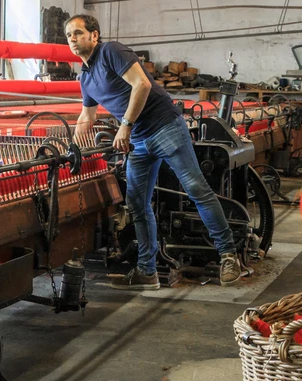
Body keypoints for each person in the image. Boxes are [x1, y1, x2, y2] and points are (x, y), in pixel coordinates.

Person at [65, 14, 242, 289]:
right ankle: (147, 272)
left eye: (77, 33)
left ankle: (229, 256)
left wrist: (125, 126)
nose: (72, 39)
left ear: (94, 35)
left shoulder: (111, 51)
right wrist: (71, 148)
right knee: (137, 203)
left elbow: (142, 84)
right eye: (68, 36)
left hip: (164, 127)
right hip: (138, 140)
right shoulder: (85, 77)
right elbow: (86, 117)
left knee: (197, 189)